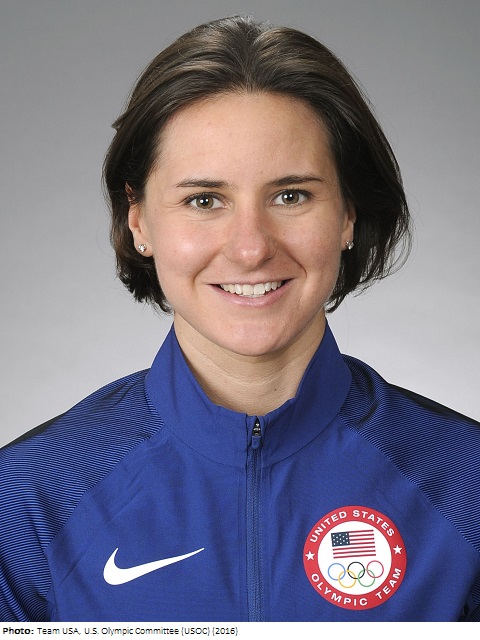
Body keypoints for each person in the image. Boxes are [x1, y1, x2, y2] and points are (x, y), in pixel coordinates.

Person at [0, 15, 479, 623]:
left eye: (291, 195)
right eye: (204, 200)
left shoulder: (467, 481)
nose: (251, 248)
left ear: (348, 215)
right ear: (139, 220)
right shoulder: (28, 495)